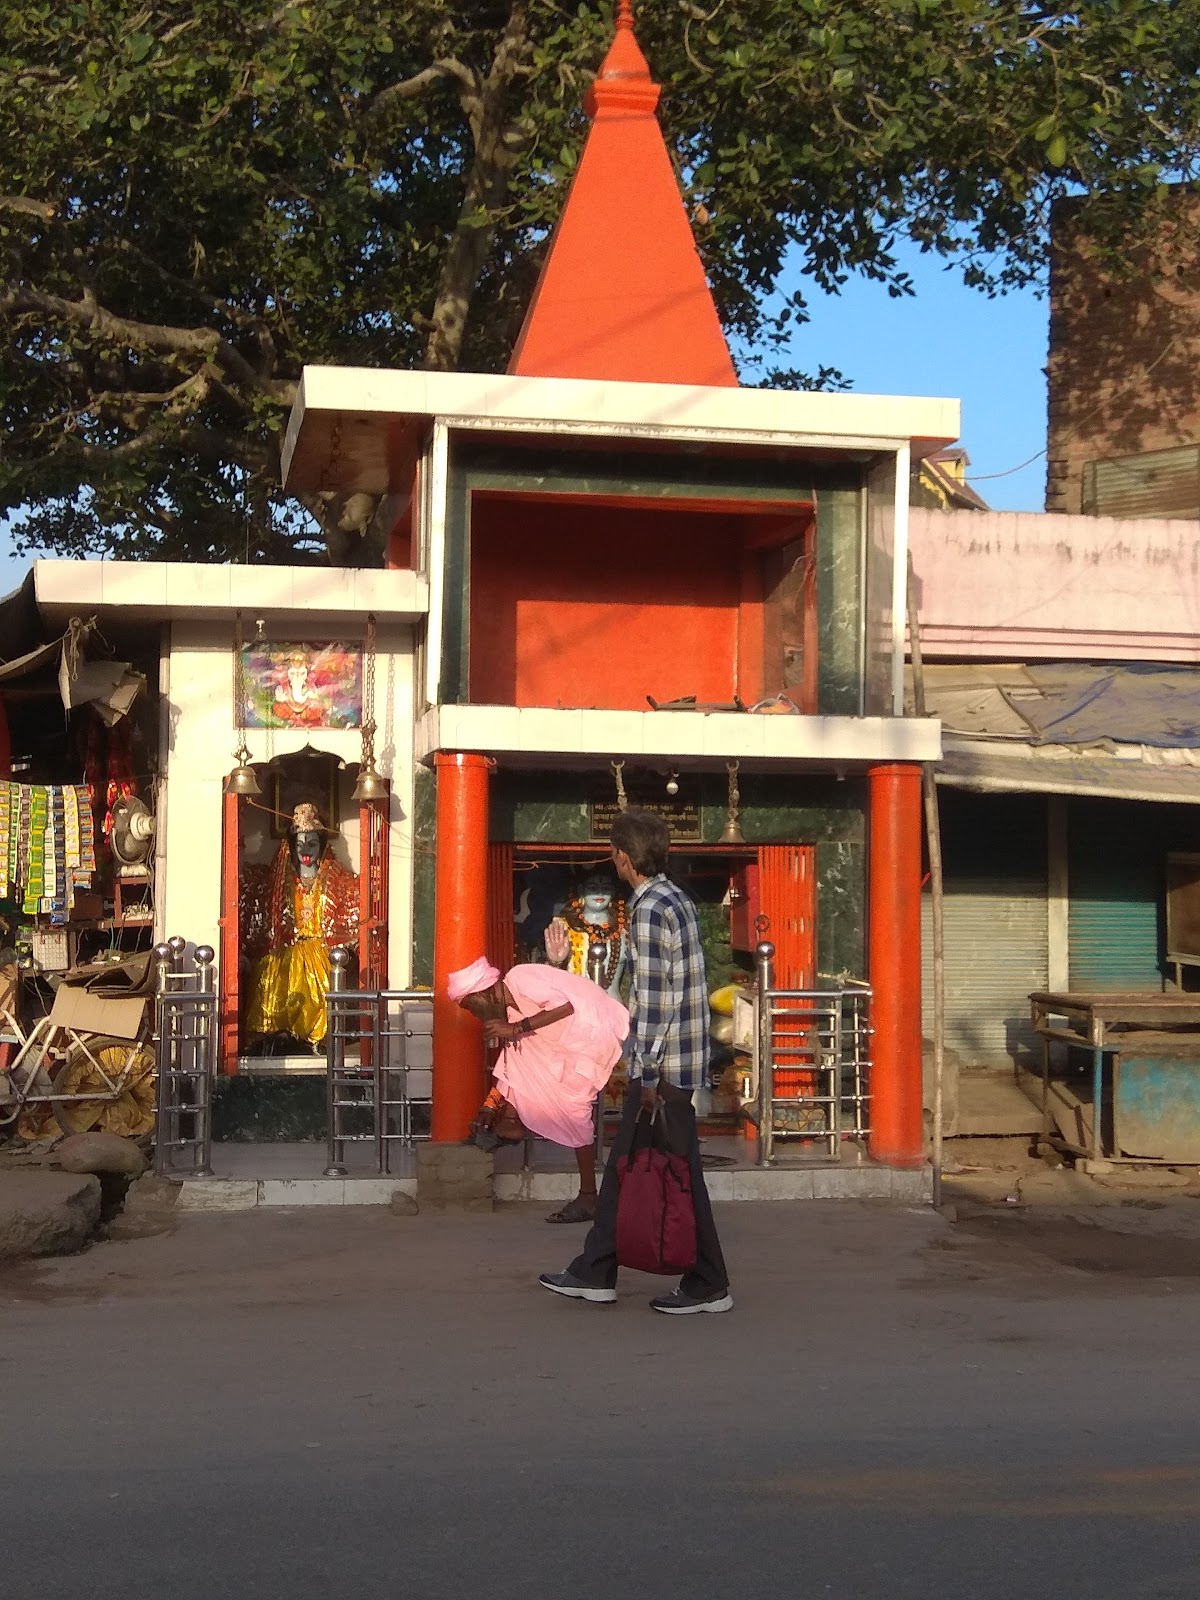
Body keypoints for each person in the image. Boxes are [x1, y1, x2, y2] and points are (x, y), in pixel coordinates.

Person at [540, 808, 733, 1315]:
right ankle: (597, 1270)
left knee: (671, 1171)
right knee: (633, 1165)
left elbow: (654, 998)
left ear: (624, 857)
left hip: (664, 1069)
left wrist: (643, 1071)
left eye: (614, 853)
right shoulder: (678, 899)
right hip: (682, 1060)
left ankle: (704, 1280)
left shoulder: (647, 907)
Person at [446, 956, 630, 1224]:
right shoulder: (511, 1012)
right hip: (565, 1047)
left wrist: (516, 1028)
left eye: (473, 1007)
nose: (475, 1015)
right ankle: (507, 1123)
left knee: (574, 1113)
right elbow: (513, 1063)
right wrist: (490, 1103)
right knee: (520, 1054)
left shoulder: (521, 977)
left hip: (590, 1032)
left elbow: (564, 1006)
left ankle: (589, 1197)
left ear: (483, 992)